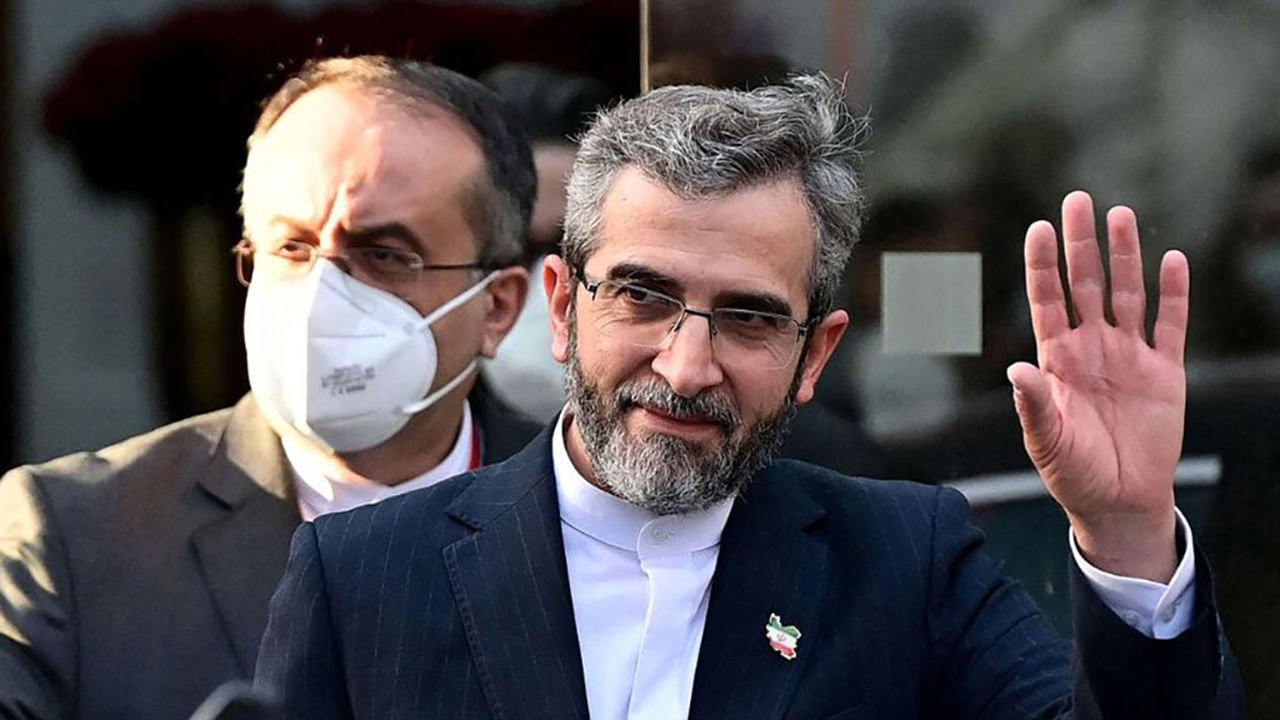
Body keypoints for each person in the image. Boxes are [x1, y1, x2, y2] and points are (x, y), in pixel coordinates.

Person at [254, 74, 1243, 719]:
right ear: (560, 307)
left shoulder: (906, 562)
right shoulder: (363, 576)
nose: (687, 367)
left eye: (748, 317)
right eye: (643, 297)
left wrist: (1125, 534)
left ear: (816, 354)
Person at [0, 57, 543, 720]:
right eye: (291, 247)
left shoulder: (592, 522)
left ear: (497, 307)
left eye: (383, 255)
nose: (323, 295)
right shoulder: (75, 535)